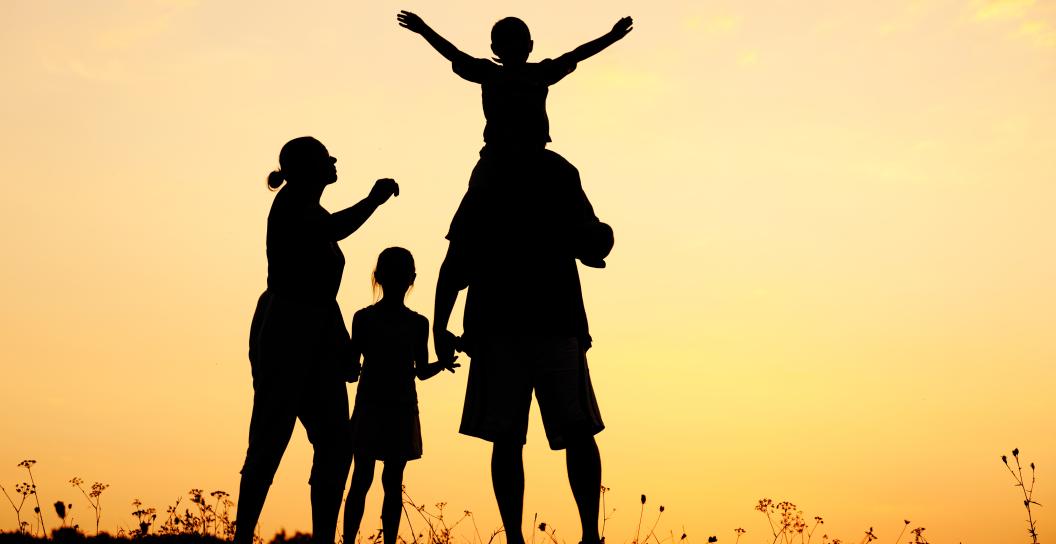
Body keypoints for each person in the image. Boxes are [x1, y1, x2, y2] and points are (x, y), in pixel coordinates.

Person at [432, 149, 614, 544]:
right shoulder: (550, 171)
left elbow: (455, 261)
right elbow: (591, 242)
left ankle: (528, 537)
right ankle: (583, 535)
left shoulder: (499, 173)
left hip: (509, 327)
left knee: (512, 436)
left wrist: (440, 326)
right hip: (541, 324)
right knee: (562, 432)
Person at [236, 136, 399, 544]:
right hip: (286, 330)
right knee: (270, 438)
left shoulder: (310, 208)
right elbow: (334, 229)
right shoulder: (293, 206)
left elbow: (325, 295)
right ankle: (241, 537)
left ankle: (323, 539)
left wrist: (342, 344)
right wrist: (373, 200)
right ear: (310, 169)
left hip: (317, 332)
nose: (335, 160)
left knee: (335, 443)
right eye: (327, 157)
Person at [396, 11, 632, 226]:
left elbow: (577, 54)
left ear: (528, 46)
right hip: (500, 157)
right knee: (472, 210)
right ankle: (589, 234)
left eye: (516, 41)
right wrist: (423, 29)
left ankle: (588, 236)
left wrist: (612, 36)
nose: (513, 47)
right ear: (497, 48)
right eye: (508, 42)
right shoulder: (497, 73)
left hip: (528, 155)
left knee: (568, 174)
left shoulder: (533, 73)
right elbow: (454, 55)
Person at [342, 247, 460, 544]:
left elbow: (350, 367)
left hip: (373, 406)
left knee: (362, 479)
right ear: (413, 279)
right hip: (398, 408)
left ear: (378, 277)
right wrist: (442, 365)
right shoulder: (416, 324)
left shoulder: (363, 319)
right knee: (390, 482)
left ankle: (347, 541)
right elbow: (421, 371)